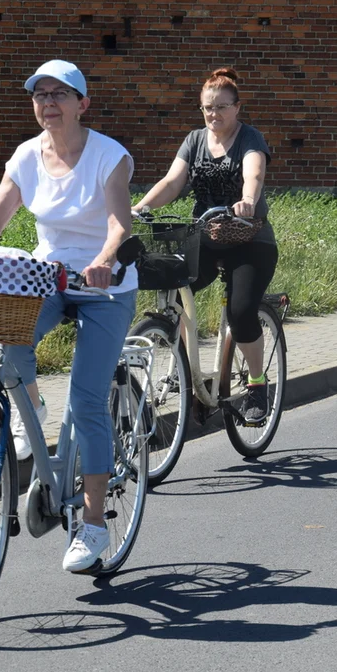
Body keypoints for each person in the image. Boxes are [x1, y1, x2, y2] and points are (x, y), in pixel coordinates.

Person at [0, 60, 137, 572]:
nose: (48, 102)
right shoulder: (26, 157)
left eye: (60, 93)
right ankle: (27, 415)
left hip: (104, 286)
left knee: (87, 398)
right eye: (40, 94)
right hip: (48, 279)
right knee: (8, 349)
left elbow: (120, 223)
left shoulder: (108, 156)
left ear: (83, 103)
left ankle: (94, 524)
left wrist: (104, 261)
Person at [135, 68, 277, 423]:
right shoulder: (195, 140)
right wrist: (142, 207)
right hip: (206, 235)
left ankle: (258, 386)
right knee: (175, 290)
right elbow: (172, 181)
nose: (214, 115)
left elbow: (254, 172)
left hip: (249, 237)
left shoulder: (250, 138)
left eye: (221, 108)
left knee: (241, 311)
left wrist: (247, 198)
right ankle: (188, 374)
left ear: (237, 108)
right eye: (207, 108)